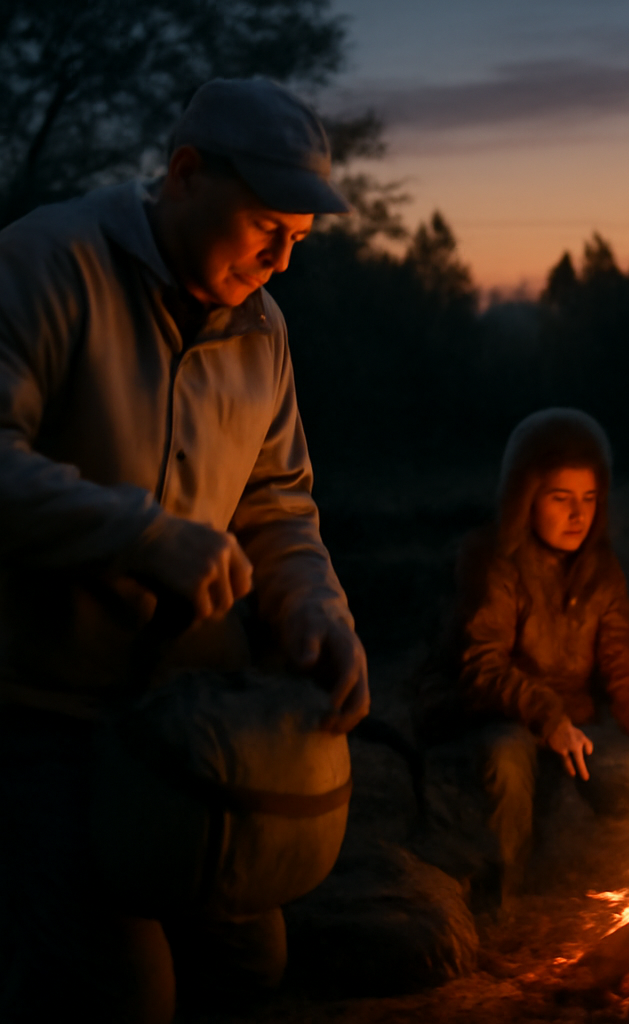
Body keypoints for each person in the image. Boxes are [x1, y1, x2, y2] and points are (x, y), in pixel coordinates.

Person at [0, 78, 366, 1021]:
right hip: (42, 709)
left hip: (188, 715)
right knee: (124, 995)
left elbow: (279, 504)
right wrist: (142, 536)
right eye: (267, 229)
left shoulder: (263, 331)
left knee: (249, 966)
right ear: (186, 173)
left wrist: (314, 607)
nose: (281, 262)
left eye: (299, 240)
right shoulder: (45, 263)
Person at [411, 408, 629, 910]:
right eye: (561, 498)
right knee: (509, 756)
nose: (578, 514)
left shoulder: (600, 570)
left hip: (568, 724)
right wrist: (547, 716)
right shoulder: (493, 558)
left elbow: (620, 662)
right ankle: (500, 900)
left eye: (589, 499)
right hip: (488, 715)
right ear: (526, 496)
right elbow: (482, 666)